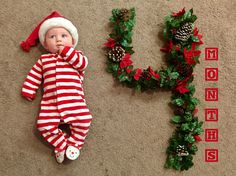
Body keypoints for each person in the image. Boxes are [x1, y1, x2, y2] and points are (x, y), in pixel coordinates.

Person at [20, 11, 92, 163]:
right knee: (43, 125)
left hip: (74, 102)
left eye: (64, 36)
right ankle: (61, 144)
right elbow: (34, 75)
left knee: (84, 120)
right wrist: (29, 89)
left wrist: (66, 51)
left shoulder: (76, 56)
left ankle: (75, 143)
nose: (58, 40)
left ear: (72, 41)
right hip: (51, 104)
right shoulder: (44, 60)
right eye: (52, 37)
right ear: (45, 44)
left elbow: (83, 64)